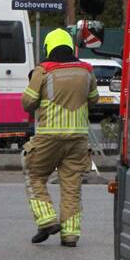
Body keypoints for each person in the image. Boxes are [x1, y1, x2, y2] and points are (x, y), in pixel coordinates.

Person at [21, 28, 99, 247]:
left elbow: (28, 102)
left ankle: (46, 220)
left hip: (49, 137)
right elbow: (94, 99)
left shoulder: (43, 71)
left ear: (49, 47)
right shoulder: (87, 71)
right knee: (72, 185)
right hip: (78, 139)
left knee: (33, 173)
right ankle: (70, 235)